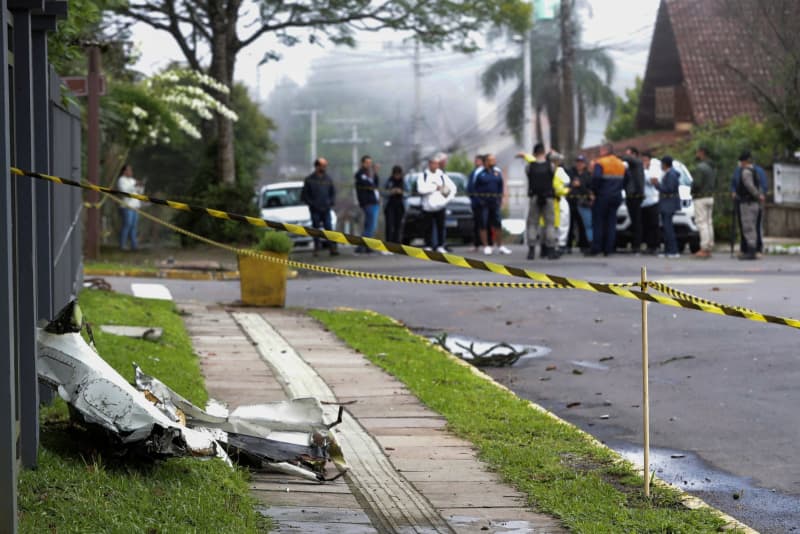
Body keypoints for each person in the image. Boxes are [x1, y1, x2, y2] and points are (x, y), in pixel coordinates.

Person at [517, 142, 557, 260]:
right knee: (549, 224)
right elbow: (554, 174)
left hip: (534, 197)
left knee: (532, 224)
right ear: (543, 152)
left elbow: (528, 174)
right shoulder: (551, 166)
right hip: (548, 197)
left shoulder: (529, 166)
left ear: (534, 153)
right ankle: (550, 250)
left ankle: (531, 250)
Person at [588, 144, 625, 257]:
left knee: (598, 222)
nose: (600, 152)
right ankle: (608, 249)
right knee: (611, 222)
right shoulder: (620, 163)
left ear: (604, 151)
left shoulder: (600, 162)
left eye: (601, 150)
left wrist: (594, 190)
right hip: (616, 196)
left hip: (602, 196)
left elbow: (596, 178)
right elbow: (626, 179)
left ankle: (596, 248)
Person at [474, 154, 511, 255]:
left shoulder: (497, 172)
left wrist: (500, 199)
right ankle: (486, 246)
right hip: (483, 203)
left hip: (494, 202)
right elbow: (475, 189)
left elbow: (500, 186)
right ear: (486, 162)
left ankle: (500, 246)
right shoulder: (479, 173)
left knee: (498, 224)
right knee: (484, 224)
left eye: (494, 160)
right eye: (491, 160)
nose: (493, 161)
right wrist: (479, 200)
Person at [731, 153, 768, 255]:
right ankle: (747, 249)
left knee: (750, 226)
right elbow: (734, 183)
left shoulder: (747, 171)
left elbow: (751, 186)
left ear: (744, 161)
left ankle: (754, 249)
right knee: (747, 226)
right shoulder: (751, 170)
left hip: (749, 202)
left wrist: (759, 195)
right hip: (748, 201)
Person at [417, 155, 456, 253]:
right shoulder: (423, 175)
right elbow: (421, 189)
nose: (435, 166)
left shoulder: (442, 175)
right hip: (427, 207)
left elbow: (452, 188)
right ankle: (428, 245)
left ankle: (440, 245)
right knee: (427, 227)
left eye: (437, 164)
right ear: (429, 164)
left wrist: (447, 199)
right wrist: (434, 188)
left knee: (440, 226)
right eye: (433, 164)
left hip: (440, 206)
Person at [302, 157, 339, 256]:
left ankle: (332, 248)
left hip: (326, 208)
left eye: (325, 165)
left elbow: (332, 192)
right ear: (317, 166)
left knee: (329, 228)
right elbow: (305, 195)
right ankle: (316, 248)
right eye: (323, 165)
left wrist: (330, 202)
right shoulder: (309, 180)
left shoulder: (328, 179)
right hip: (315, 209)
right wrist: (312, 204)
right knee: (316, 230)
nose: (324, 167)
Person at [651, 156, 681, 258]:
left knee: (668, 229)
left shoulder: (671, 174)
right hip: (666, 204)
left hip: (669, 204)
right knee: (666, 228)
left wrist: (657, 184)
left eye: (661, 164)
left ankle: (673, 251)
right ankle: (668, 251)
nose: (660, 166)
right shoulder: (668, 173)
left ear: (665, 164)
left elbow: (669, 189)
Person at [691, 146, 716, 258]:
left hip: (700, 197)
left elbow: (697, 184)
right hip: (710, 196)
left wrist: (692, 190)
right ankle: (709, 246)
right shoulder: (711, 167)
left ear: (702, 152)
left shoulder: (700, 167)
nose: (696, 154)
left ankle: (704, 248)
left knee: (702, 223)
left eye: (697, 152)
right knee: (709, 222)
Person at [354, 155, 380, 254]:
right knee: (371, 226)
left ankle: (367, 246)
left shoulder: (370, 174)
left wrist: (375, 173)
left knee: (369, 225)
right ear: (363, 163)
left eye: (370, 163)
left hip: (374, 202)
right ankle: (361, 246)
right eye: (367, 162)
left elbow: (376, 185)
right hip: (368, 203)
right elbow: (368, 185)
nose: (369, 165)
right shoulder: (360, 174)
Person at [622, 146, 645, 253]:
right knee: (634, 221)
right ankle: (634, 244)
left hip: (635, 196)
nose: (626, 157)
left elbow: (639, 182)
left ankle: (637, 246)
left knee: (637, 221)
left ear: (634, 154)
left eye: (629, 154)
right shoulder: (630, 167)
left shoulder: (638, 163)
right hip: (630, 196)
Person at [548, 151, 571, 255]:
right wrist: (566, 191)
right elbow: (567, 181)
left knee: (558, 222)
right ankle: (560, 244)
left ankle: (557, 244)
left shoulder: (555, 170)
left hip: (554, 198)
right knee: (561, 221)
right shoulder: (558, 171)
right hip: (559, 198)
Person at [567, 155, 592, 251]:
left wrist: (580, 185)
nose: (579, 164)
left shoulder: (587, 175)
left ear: (584, 164)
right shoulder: (571, 173)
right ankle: (568, 245)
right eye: (578, 162)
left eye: (581, 162)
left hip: (583, 203)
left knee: (583, 225)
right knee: (570, 225)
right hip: (571, 202)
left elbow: (588, 189)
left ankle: (584, 245)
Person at [640, 151, 662, 255]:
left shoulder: (653, 169)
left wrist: (644, 170)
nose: (644, 162)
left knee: (654, 225)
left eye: (645, 160)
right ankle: (649, 245)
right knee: (646, 225)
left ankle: (656, 245)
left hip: (653, 201)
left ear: (649, 160)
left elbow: (652, 181)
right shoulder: (643, 170)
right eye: (642, 160)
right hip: (644, 202)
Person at [117, 164, 142, 251]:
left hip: (135, 206)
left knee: (134, 226)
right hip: (127, 206)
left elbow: (139, 192)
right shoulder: (121, 180)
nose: (131, 172)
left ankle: (134, 245)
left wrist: (140, 186)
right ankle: (122, 245)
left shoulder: (132, 180)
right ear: (124, 171)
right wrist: (134, 186)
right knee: (127, 225)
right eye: (129, 170)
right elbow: (125, 192)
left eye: (131, 170)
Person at [467, 154, 485, 252]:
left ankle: (487, 244)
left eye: (478, 160)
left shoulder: (486, 172)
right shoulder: (473, 173)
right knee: (477, 223)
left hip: (485, 201)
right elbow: (470, 187)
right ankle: (476, 243)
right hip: (475, 202)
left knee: (486, 223)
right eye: (476, 160)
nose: (476, 162)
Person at [383, 165, 405, 244]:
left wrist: (401, 192)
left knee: (398, 225)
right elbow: (382, 192)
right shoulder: (388, 181)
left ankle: (397, 243)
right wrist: (390, 192)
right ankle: (388, 243)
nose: (397, 176)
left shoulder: (403, 181)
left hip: (400, 206)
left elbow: (408, 192)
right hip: (389, 206)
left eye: (399, 174)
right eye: (396, 174)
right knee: (389, 225)